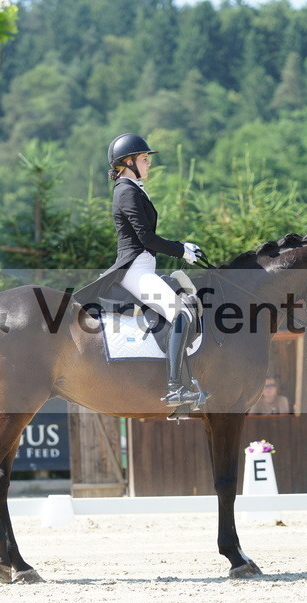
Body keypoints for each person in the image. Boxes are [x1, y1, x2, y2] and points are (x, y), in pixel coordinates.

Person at [75, 133, 208, 406]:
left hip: (143, 266)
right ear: (129, 161)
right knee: (181, 312)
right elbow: (146, 238)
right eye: (145, 159)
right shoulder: (126, 191)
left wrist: (182, 246)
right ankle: (175, 387)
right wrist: (180, 249)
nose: (149, 163)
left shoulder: (134, 188)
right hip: (135, 269)